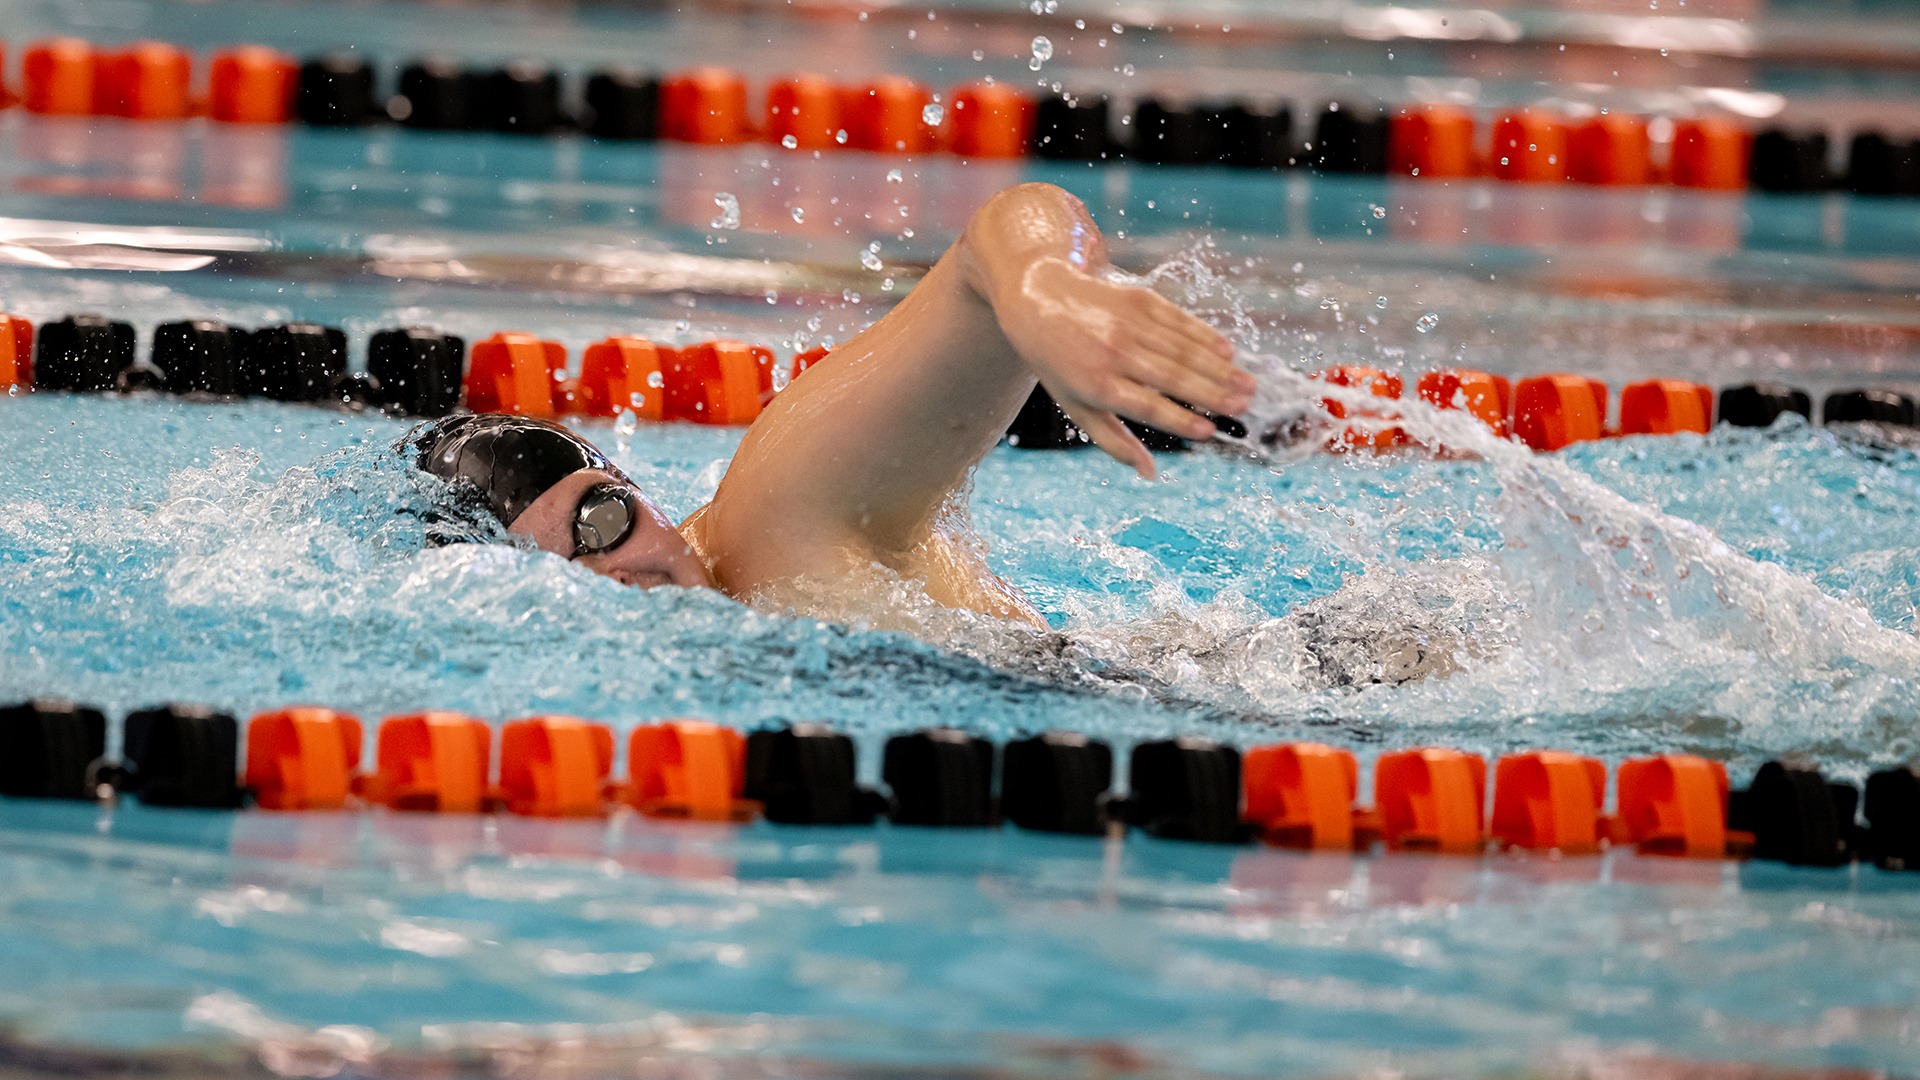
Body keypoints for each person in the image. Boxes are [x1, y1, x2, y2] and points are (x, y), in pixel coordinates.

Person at [411, 182, 1256, 629]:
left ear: (637, 491)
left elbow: (1005, 227)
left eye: (602, 519)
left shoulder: (773, 517)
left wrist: (1042, 285)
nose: (617, 573)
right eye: (564, 575)